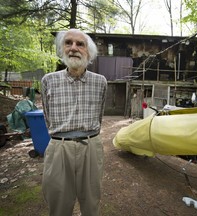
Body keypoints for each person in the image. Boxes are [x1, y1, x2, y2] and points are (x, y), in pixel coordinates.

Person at [41, 28, 107, 216]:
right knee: (58, 202)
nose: (73, 48)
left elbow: (99, 116)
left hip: (91, 146)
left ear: (89, 51)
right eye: (68, 43)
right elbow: (47, 116)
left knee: (92, 201)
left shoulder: (100, 82)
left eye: (80, 44)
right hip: (59, 147)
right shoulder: (48, 81)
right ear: (62, 49)